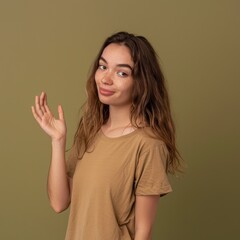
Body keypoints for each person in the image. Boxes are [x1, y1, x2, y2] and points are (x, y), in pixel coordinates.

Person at [31, 31, 182, 240]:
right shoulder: (90, 132)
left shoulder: (148, 144)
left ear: (141, 82)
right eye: (103, 67)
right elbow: (59, 202)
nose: (106, 78)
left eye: (122, 73)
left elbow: (143, 231)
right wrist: (58, 142)